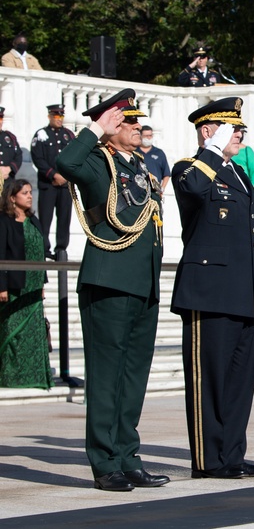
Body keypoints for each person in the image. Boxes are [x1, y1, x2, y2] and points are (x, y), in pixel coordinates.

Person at [57, 89, 168, 492]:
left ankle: (128, 456)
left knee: (134, 377)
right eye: (129, 121)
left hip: (143, 282)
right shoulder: (95, 163)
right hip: (109, 280)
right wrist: (94, 128)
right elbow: (64, 162)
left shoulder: (140, 166)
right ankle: (105, 462)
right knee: (106, 378)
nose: (139, 127)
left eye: (137, 120)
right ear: (111, 127)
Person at [170, 97, 254, 479]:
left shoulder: (240, 174)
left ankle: (232, 454)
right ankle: (209, 460)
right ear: (208, 131)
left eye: (240, 128)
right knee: (208, 379)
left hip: (243, 289)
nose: (239, 134)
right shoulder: (189, 168)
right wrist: (211, 150)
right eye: (230, 128)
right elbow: (193, 188)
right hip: (208, 290)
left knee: (240, 381)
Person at [0, 179, 51, 389]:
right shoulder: (3, 221)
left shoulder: (34, 221)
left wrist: (42, 284)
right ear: (12, 197)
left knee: (33, 333)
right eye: (25, 193)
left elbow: (40, 253)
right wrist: (1, 286)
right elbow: (1, 254)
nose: (30, 196)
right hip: (13, 286)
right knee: (13, 331)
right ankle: (12, 377)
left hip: (33, 286)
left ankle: (35, 377)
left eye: (30, 192)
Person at [30, 104, 75, 258]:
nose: (59, 119)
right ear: (49, 116)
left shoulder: (69, 135)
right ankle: (44, 248)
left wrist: (65, 176)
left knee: (64, 217)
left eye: (61, 116)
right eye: (56, 116)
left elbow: (75, 157)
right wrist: (53, 175)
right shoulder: (41, 134)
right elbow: (38, 158)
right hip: (48, 184)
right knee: (45, 218)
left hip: (65, 185)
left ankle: (61, 249)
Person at [138, 126, 171, 192]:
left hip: (154, 191)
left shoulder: (159, 153)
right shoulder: (134, 152)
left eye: (150, 135)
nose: (149, 138)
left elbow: (166, 174)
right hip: (138, 189)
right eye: (146, 136)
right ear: (140, 136)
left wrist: (162, 188)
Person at [0, 108, 22, 183]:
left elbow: (18, 155)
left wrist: (9, 168)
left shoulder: (10, 137)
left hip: (8, 182)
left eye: (0, 118)